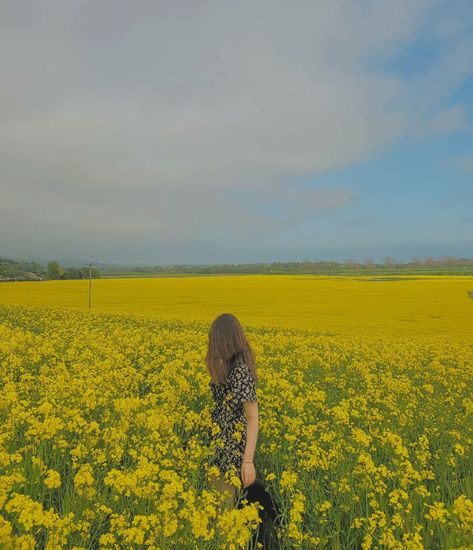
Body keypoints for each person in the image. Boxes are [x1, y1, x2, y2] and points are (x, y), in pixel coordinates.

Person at [206, 313, 259, 509]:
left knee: (223, 510)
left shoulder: (240, 370)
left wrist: (247, 461)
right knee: (214, 506)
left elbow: (252, 418)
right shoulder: (227, 365)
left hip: (230, 453)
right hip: (218, 447)